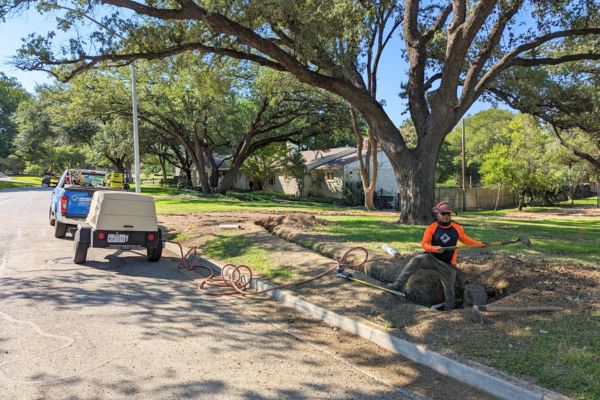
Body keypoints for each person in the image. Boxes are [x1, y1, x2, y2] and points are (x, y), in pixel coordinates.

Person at [391, 202, 487, 310]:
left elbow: (465, 239)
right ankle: (397, 286)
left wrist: (479, 244)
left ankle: (449, 310)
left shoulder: (457, 228)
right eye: (443, 214)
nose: (446, 216)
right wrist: (434, 249)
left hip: (448, 264)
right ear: (437, 214)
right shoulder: (431, 228)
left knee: (449, 290)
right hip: (432, 258)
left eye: (448, 214)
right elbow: (424, 244)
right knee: (416, 260)